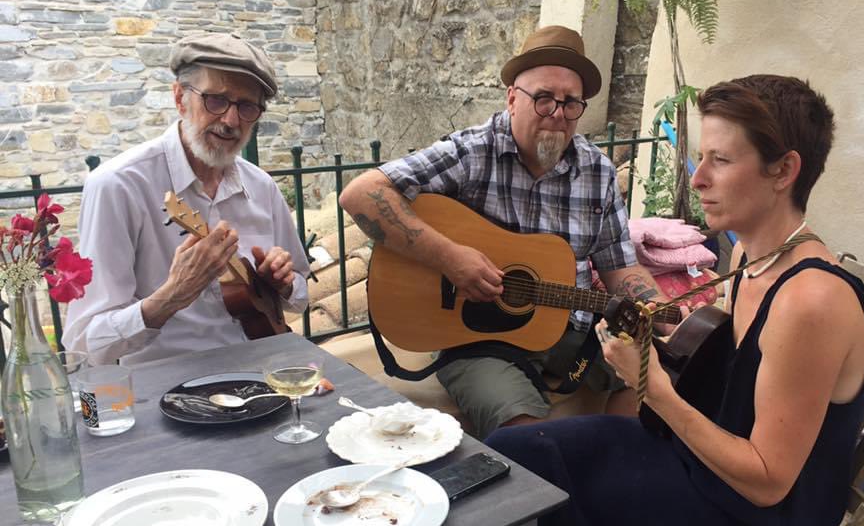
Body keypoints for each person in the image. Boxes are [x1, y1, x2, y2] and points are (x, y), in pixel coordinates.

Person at [430, 74, 864, 526]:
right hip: (696, 476)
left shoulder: (810, 301)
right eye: (698, 158)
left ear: (783, 170)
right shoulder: (750, 254)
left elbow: (768, 481)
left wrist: (655, 389)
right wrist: (654, 346)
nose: (697, 179)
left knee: (524, 507)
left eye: (720, 160)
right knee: (508, 464)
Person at [340, 25, 663, 440]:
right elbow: (362, 195)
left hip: (575, 335)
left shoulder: (597, 170)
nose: (557, 115)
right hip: (478, 340)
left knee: (650, 382)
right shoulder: (473, 151)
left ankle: (606, 471)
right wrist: (451, 259)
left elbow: (620, 269)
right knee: (527, 435)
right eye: (543, 98)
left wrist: (660, 309)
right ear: (513, 98)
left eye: (570, 103)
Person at [63, 32, 310, 366]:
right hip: (164, 388)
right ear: (180, 98)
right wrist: (171, 296)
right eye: (216, 100)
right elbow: (86, 344)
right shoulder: (119, 185)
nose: (231, 121)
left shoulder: (261, 186)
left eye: (247, 106)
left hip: (261, 366)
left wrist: (282, 282)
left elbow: (300, 296)